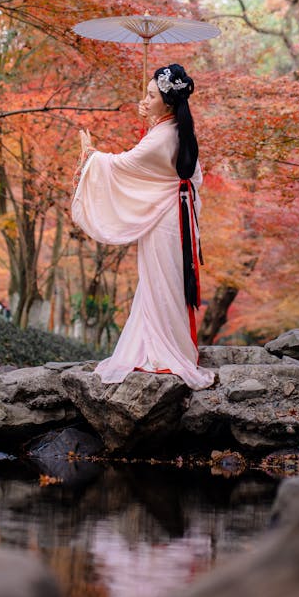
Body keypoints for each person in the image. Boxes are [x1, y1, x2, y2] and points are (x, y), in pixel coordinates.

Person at [72, 63, 215, 390]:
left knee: (159, 282)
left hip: (164, 220)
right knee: (162, 283)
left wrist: (91, 155)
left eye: (151, 94)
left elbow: (125, 164)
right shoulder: (178, 129)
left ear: (167, 101)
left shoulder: (163, 135)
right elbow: (173, 170)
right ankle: (170, 346)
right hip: (174, 218)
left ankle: (163, 352)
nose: (144, 98)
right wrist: (153, 118)